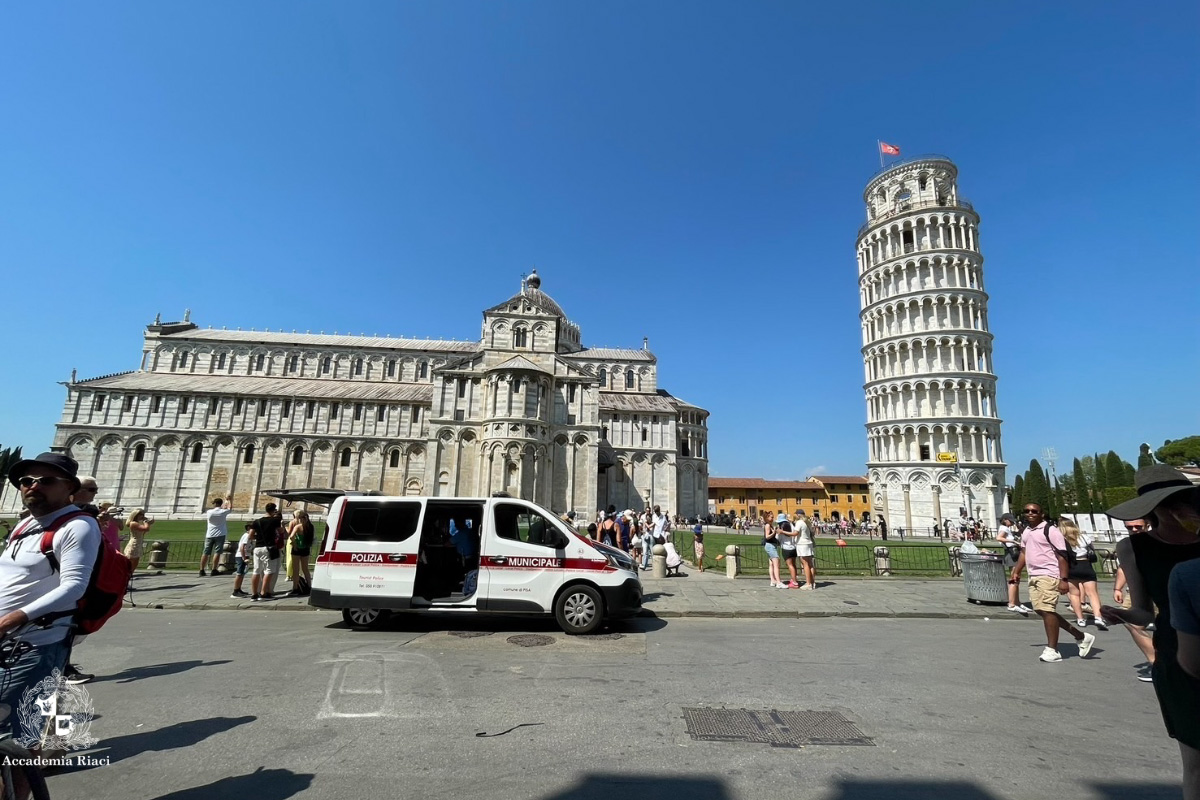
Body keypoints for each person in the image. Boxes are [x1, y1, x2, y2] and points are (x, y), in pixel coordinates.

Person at [0, 452, 101, 781]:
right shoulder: (26, 524)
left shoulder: (78, 526)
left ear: (69, 487)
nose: (32, 486)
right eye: (27, 481)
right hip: (6, 641)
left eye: (46, 480)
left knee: (19, 738)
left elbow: (74, 586)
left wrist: (12, 618)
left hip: (33, 645)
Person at [1105, 465, 1200, 796]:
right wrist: (1122, 613)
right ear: (1153, 508)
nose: (1179, 508)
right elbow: (1144, 611)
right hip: (1178, 654)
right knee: (1196, 761)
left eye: (1184, 499)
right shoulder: (1134, 548)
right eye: (1169, 502)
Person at [1008, 502, 1095, 663]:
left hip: (1050, 574)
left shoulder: (1050, 530)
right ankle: (1081, 636)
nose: (1030, 513)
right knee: (1042, 610)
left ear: (1042, 513)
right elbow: (1024, 552)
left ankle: (1052, 650)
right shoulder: (1027, 531)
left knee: (1047, 610)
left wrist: (1063, 580)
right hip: (1034, 575)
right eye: (1027, 511)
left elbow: (1062, 555)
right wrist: (1017, 572)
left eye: (1034, 511)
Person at [1103, 518, 1157, 681]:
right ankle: (1155, 662)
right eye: (1130, 527)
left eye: (1138, 526)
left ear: (1147, 525)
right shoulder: (1128, 544)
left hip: (1156, 590)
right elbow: (1123, 567)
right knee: (1131, 623)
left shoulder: (1156, 540)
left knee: (1165, 628)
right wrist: (1117, 588)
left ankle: (1164, 665)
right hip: (1134, 590)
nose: (1134, 530)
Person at [1059, 516, 1107, 630]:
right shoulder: (1084, 537)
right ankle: (1098, 618)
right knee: (1093, 594)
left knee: (1074, 595)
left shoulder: (1062, 539)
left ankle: (1080, 619)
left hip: (1071, 567)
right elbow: (1092, 549)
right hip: (1085, 565)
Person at [996, 513, 1030, 615]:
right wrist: (1013, 541)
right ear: (1005, 520)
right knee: (1014, 578)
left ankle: (1017, 602)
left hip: (1012, 553)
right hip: (1011, 553)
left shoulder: (1006, 528)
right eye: (1010, 521)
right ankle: (1012, 603)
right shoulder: (1004, 528)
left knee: (1016, 578)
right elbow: (999, 538)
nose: (1011, 523)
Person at [254, 503, 286, 599]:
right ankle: (264, 592)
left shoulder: (257, 521)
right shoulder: (274, 521)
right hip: (269, 548)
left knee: (256, 571)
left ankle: (254, 593)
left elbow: (251, 535)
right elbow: (281, 531)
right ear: (273, 510)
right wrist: (282, 526)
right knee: (269, 571)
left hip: (257, 547)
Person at [199, 495, 232, 577]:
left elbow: (222, 509)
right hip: (220, 534)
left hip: (209, 534)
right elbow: (229, 508)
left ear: (214, 504)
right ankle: (214, 569)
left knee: (205, 553)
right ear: (220, 504)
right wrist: (229, 500)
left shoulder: (209, 512)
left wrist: (225, 502)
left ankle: (201, 570)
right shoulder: (223, 512)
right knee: (217, 552)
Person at [287, 509, 315, 597]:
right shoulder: (311, 527)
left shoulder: (298, 527)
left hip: (297, 549)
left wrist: (294, 544)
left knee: (296, 570)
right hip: (306, 549)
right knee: (305, 569)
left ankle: (295, 588)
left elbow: (291, 536)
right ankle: (309, 586)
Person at [124, 507, 153, 572]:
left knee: (136, 560)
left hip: (139, 542)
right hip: (134, 543)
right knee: (131, 559)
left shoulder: (138, 523)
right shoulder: (133, 523)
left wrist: (149, 523)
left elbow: (143, 531)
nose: (142, 516)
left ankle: (130, 573)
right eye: (141, 515)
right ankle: (126, 572)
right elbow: (146, 529)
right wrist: (146, 522)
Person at [775, 513, 799, 589]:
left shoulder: (781, 528)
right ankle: (794, 579)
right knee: (794, 564)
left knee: (790, 565)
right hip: (793, 547)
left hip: (786, 547)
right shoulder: (791, 525)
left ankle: (794, 582)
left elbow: (778, 538)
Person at [230, 522, 254, 598]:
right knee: (239, 573)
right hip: (241, 556)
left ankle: (239, 589)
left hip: (245, 556)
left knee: (242, 574)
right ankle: (235, 591)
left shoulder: (249, 536)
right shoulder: (246, 536)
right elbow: (242, 547)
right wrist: (244, 558)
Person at [794, 511, 816, 590]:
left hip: (802, 544)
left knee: (805, 564)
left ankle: (808, 583)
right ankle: (812, 582)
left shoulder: (799, 522)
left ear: (798, 515)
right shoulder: (807, 522)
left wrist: (783, 532)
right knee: (810, 564)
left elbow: (795, 533)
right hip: (808, 543)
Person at [762, 517, 784, 588]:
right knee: (776, 562)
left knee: (771, 564)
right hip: (770, 545)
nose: (772, 518)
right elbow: (767, 537)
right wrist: (774, 532)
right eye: (771, 517)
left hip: (772, 545)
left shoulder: (770, 525)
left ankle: (773, 580)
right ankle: (778, 582)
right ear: (767, 517)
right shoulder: (768, 525)